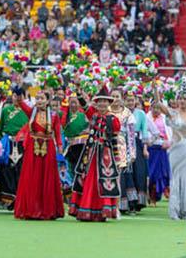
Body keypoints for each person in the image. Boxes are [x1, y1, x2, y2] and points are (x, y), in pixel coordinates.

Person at [69, 92, 121, 222]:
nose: (102, 104)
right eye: (99, 101)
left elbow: (114, 140)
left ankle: (103, 211)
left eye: (105, 101)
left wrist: (117, 157)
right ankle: (85, 210)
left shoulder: (113, 120)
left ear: (109, 104)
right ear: (96, 103)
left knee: (103, 181)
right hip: (90, 153)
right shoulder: (93, 114)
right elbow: (84, 105)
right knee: (87, 180)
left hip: (105, 156)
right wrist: (79, 91)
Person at [14, 90, 64, 220]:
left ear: (48, 100)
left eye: (42, 98)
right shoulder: (32, 112)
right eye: (37, 98)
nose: (39, 101)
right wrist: (19, 93)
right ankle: (31, 210)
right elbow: (21, 104)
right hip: (32, 147)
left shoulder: (54, 115)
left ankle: (47, 210)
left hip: (48, 147)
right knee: (32, 176)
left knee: (47, 176)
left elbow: (57, 131)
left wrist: (59, 145)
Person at [157, 82, 186, 221]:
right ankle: (175, 210)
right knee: (175, 179)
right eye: (180, 98)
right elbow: (158, 104)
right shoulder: (173, 113)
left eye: (185, 98)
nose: (183, 101)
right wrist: (154, 87)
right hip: (175, 150)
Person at [0, 87, 29, 207]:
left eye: (19, 96)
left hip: (22, 144)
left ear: (24, 97)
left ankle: (20, 198)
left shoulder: (28, 111)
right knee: (6, 170)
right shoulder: (6, 110)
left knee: (21, 170)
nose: (16, 98)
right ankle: (9, 198)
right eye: (13, 96)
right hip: (8, 144)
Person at [146, 99, 171, 204]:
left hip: (162, 148)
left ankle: (158, 195)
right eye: (154, 108)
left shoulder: (165, 118)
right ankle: (150, 195)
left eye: (158, 108)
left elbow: (170, 132)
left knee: (161, 173)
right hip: (151, 148)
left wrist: (168, 142)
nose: (156, 110)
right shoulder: (147, 117)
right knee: (151, 173)